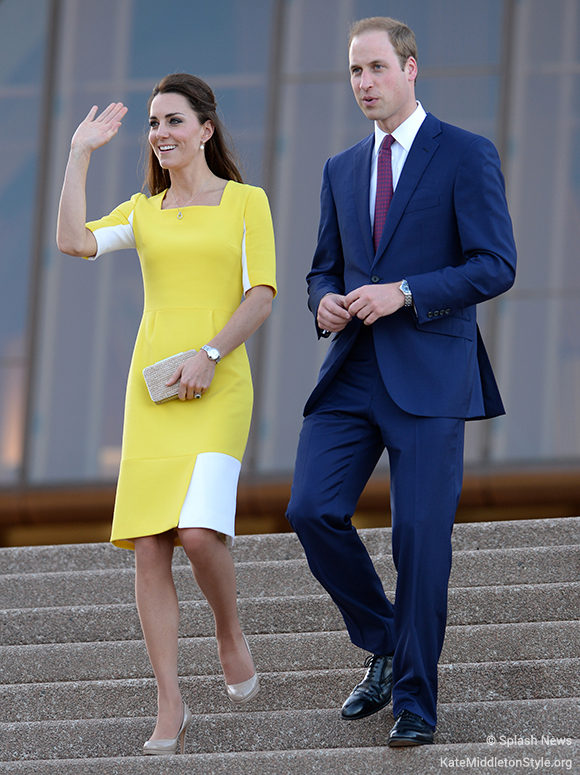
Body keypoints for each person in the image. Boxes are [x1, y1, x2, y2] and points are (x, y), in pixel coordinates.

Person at [286, 16, 516, 747]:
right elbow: (326, 265)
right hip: (352, 371)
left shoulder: (465, 154)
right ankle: (385, 640)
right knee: (310, 509)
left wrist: (407, 290)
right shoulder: (340, 168)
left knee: (419, 538)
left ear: (411, 69)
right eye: (355, 72)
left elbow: (495, 263)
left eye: (376, 68)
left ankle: (416, 699)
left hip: (429, 374)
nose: (364, 83)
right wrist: (322, 300)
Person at [56, 73, 276, 756]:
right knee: (150, 544)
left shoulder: (246, 202)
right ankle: (170, 701)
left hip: (218, 384)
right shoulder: (143, 212)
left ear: (206, 129)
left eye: (174, 121)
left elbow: (261, 293)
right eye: (154, 124)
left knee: (202, 533)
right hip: (151, 396)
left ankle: (229, 630)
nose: (162, 134)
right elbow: (74, 243)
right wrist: (79, 153)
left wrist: (210, 352)